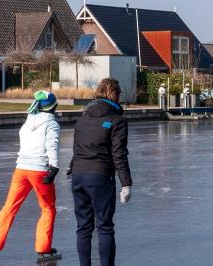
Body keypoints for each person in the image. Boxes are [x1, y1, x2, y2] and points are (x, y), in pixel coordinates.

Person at [0, 91, 61, 261]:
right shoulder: (52, 124)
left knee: (10, 206)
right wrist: (54, 168)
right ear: (52, 107)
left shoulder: (27, 122)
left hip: (21, 170)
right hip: (40, 171)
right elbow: (52, 146)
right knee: (47, 208)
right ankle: (43, 247)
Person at [68, 78, 132, 266]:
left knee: (83, 228)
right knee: (104, 227)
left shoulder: (82, 119)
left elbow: (76, 148)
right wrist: (126, 183)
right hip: (100, 176)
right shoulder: (117, 121)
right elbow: (119, 153)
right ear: (116, 95)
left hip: (78, 175)